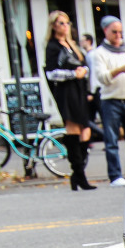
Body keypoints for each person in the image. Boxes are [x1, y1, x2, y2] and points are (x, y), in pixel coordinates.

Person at [89, 14, 125, 188]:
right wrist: (121, 69)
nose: (118, 35)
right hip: (111, 100)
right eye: (114, 32)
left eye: (120, 32)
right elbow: (102, 78)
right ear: (105, 31)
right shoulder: (99, 53)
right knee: (111, 139)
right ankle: (114, 175)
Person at [43, 11, 95, 191]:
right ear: (53, 26)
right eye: (60, 23)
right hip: (66, 91)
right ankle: (79, 175)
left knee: (86, 131)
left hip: (79, 90)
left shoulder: (71, 45)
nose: (65, 26)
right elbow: (51, 72)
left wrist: (83, 72)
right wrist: (74, 73)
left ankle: (77, 174)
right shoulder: (52, 47)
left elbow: (85, 66)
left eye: (67, 23)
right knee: (73, 129)